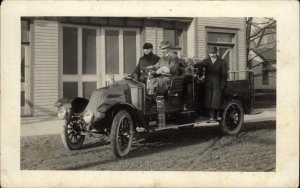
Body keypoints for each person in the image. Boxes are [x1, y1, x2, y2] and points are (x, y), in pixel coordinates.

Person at [194, 46, 228, 122]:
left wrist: (223, 85)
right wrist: (196, 70)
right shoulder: (206, 61)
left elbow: (224, 74)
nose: (212, 55)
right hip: (208, 84)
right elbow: (200, 65)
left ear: (216, 53)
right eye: (210, 53)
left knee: (216, 100)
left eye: (213, 53)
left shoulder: (222, 62)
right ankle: (211, 116)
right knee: (209, 100)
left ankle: (218, 115)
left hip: (217, 84)